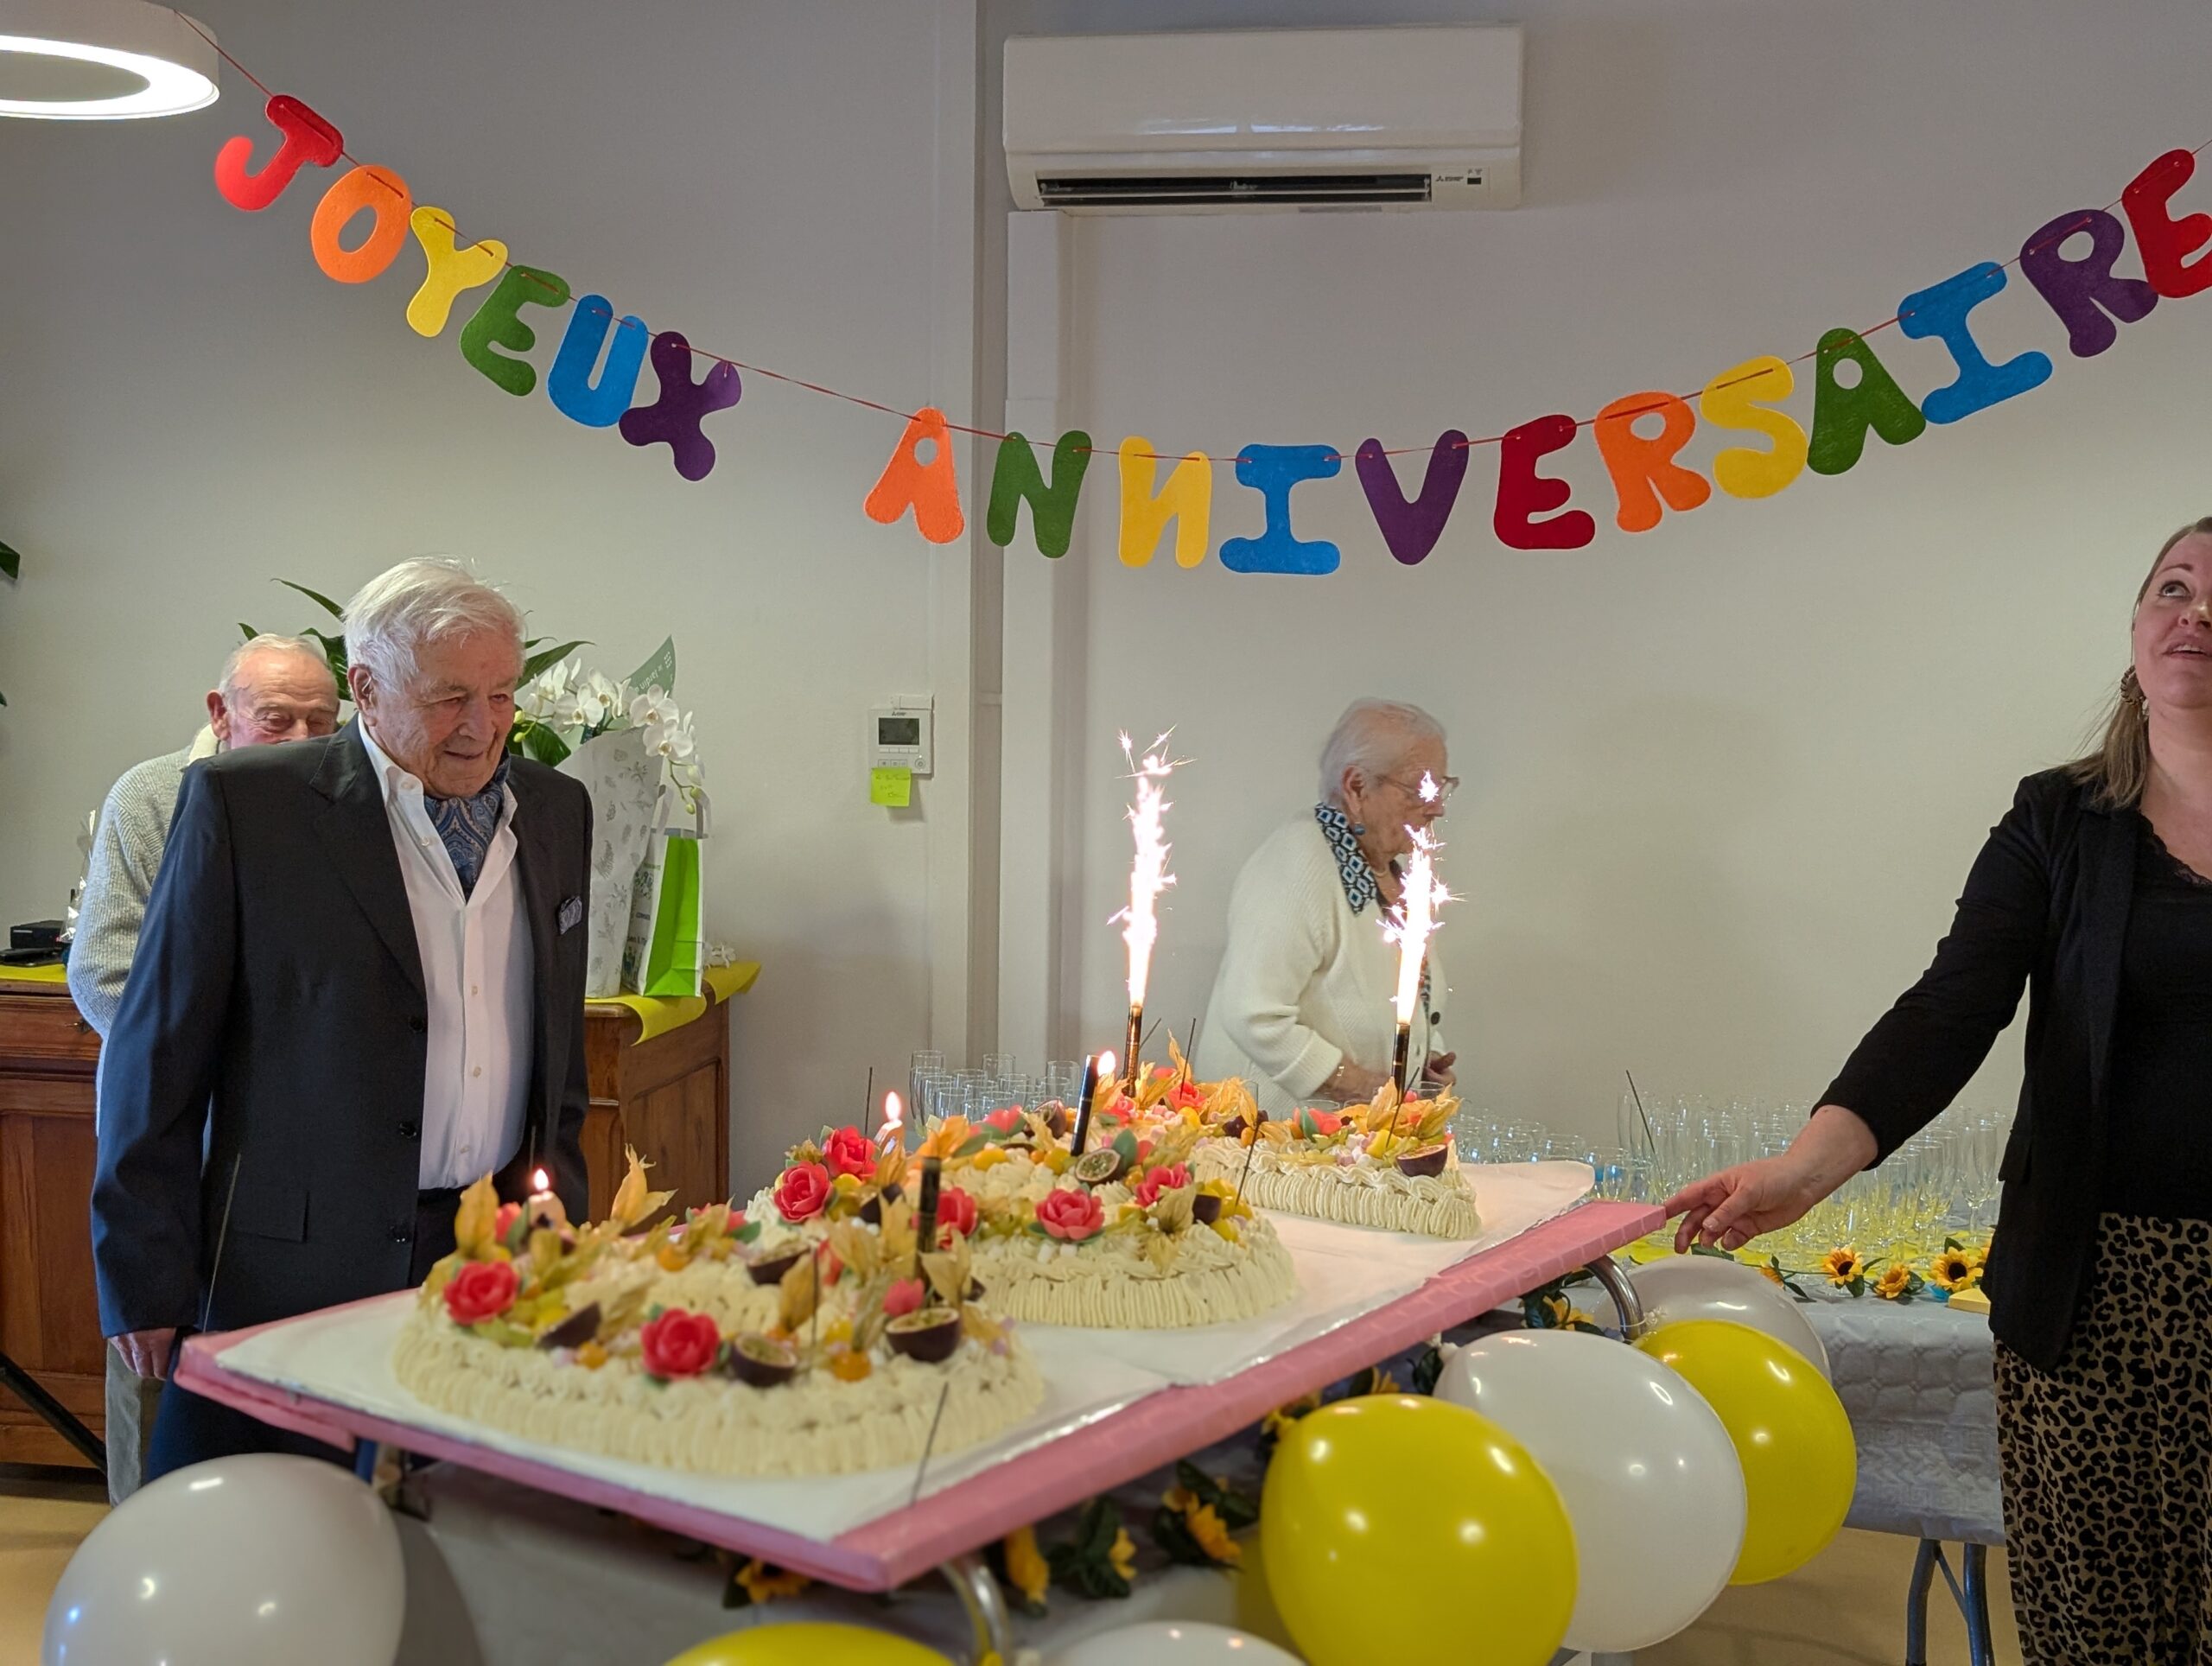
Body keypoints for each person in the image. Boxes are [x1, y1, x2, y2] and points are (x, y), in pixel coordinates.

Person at [1667, 518, 2212, 1663]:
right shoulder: (2058, 818)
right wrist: (1807, 1168)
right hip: (2087, 1297)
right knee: (2100, 1631)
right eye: (2173, 587)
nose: (2194, 613)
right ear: (2135, 627)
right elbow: (1950, 1008)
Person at [92, 557, 593, 1481]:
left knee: (465, 1530)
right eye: (448, 697)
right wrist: (142, 1273)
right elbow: (155, 1055)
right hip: (296, 1269)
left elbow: (558, 1054)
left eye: (500, 693)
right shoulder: (248, 807)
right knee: (278, 1528)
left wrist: (559, 1218)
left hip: (490, 1254)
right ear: (365, 688)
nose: (482, 725)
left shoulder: (558, 810)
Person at [69, 633, 339, 1502]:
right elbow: (103, 969)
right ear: (221, 714)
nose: (303, 737)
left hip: (296, 1149)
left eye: (321, 720)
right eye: (278, 718)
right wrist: (225, 1063)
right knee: (156, 1347)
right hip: (173, 1130)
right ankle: (146, 1545)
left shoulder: (345, 802)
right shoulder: (153, 796)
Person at [1194, 697, 1456, 1117]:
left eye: (1441, 787)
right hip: (1266, 1137)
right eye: (1419, 788)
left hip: (1350, 1139)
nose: (1437, 806)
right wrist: (1362, 1087)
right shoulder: (1299, 861)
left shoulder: (1394, 876)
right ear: (1356, 787)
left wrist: (1423, 1063)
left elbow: (1393, 1002)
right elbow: (1254, 1014)